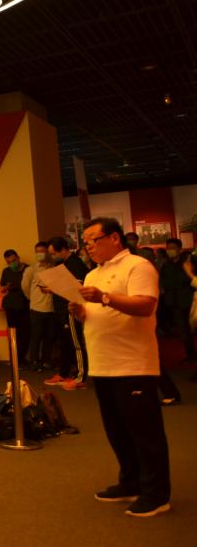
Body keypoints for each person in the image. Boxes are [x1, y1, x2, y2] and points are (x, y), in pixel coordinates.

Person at [68, 217, 171, 518]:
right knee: (117, 430)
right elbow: (95, 315)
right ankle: (130, 482)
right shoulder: (92, 274)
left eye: (93, 240)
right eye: (85, 242)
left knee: (145, 432)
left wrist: (104, 297)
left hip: (133, 363)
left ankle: (157, 494)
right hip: (102, 363)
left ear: (114, 238)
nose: (88, 247)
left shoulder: (137, 266)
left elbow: (145, 305)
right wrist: (80, 311)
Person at [44, 237, 91, 391]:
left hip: (71, 308)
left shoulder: (75, 264)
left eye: (54, 253)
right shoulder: (63, 264)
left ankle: (80, 377)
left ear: (64, 249)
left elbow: (77, 288)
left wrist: (55, 289)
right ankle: (65, 373)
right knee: (65, 343)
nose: (53, 256)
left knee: (76, 343)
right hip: (62, 308)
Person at [159, 238, 196, 362]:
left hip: (190, 300)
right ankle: (190, 354)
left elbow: (189, 279)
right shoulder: (166, 265)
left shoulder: (189, 262)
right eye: (168, 248)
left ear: (180, 249)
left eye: (173, 248)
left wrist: (177, 282)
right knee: (183, 329)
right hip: (174, 301)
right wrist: (179, 283)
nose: (170, 250)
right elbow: (164, 282)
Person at [22, 241, 56, 372]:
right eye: (37, 252)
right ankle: (34, 361)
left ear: (47, 252)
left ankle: (46, 360)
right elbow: (25, 287)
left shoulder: (54, 268)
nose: (39, 254)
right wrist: (33, 299)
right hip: (36, 308)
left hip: (52, 308)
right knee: (36, 337)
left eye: (42, 251)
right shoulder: (31, 270)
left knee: (50, 337)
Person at [0, 249, 30, 364]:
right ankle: (14, 359)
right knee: (13, 333)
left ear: (18, 258)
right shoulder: (6, 271)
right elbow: (1, 289)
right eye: (8, 262)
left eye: (13, 261)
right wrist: (6, 287)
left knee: (25, 332)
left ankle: (22, 358)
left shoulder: (28, 269)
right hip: (11, 306)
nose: (12, 264)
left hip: (25, 305)